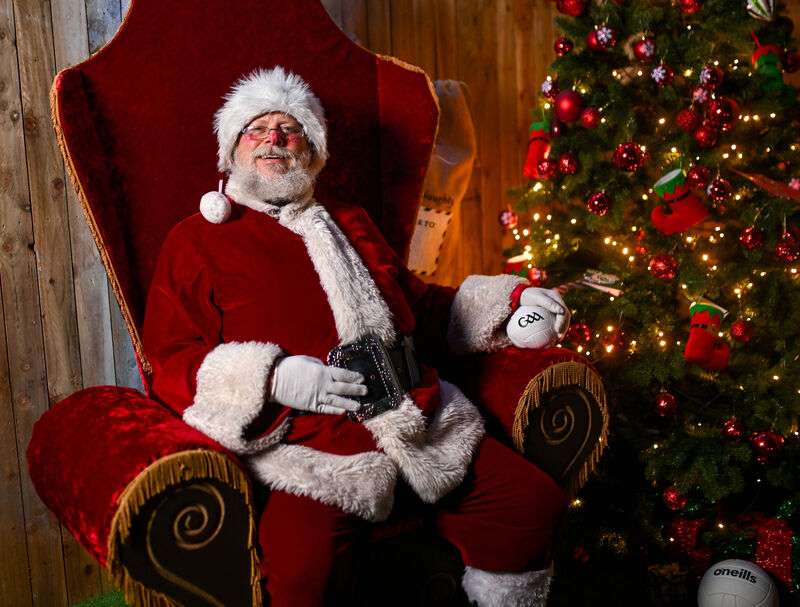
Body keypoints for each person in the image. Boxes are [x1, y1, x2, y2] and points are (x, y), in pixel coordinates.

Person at [143, 66, 574, 607]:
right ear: (232, 150)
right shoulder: (194, 241)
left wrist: (508, 304)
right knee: (305, 579)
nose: (275, 139)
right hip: (305, 448)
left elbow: (418, 304)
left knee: (532, 505)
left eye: (290, 129)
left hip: (417, 419)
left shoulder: (349, 219)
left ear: (313, 149)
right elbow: (170, 360)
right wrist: (270, 378)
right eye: (257, 129)